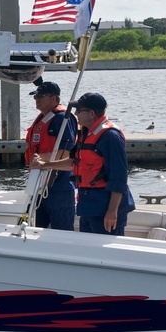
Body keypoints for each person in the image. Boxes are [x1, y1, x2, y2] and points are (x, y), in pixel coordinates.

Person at [31, 92, 135, 235]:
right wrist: (45, 165)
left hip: (104, 208)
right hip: (88, 207)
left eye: (79, 110)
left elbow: (119, 178)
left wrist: (112, 211)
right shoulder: (86, 133)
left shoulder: (110, 136)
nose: (76, 113)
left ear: (92, 114)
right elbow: (73, 162)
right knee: (89, 250)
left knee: (105, 252)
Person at [25, 81, 77, 230]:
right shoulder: (44, 118)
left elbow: (67, 152)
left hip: (59, 186)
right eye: (35, 97)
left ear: (54, 99)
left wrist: (40, 158)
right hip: (41, 185)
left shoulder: (62, 119)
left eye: (41, 96)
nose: (37, 99)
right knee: (35, 227)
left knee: (62, 230)